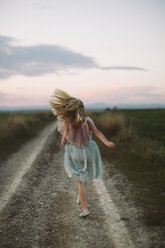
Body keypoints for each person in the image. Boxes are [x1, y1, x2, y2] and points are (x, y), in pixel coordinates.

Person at [49, 89, 115, 217]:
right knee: (83, 178)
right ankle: (81, 195)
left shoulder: (68, 123)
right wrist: (106, 142)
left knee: (80, 180)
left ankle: (85, 209)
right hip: (89, 152)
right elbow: (97, 132)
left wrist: (63, 142)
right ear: (81, 109)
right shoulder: (87, 120)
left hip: (75, 154)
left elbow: (64, 140)